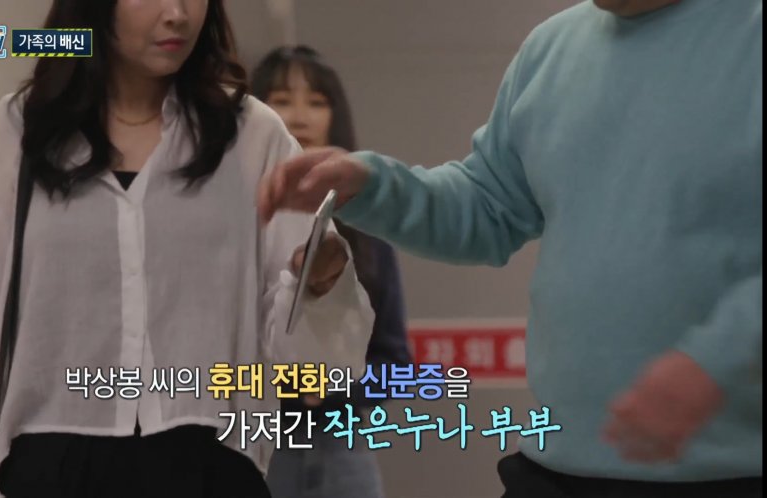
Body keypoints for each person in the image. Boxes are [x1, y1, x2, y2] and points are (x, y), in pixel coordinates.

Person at [258, 1, 762, 497]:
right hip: (555, 466)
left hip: (728, 473)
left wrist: (716, 364)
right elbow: (487, 205)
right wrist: (372, 188)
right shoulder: (551, 49)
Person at [0, 1, 376, 497]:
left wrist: (321, 285)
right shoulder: (20, 130)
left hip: (209, 471)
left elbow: (318, 372)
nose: (177, 13)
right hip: (50, 471)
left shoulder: (251, 134)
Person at [251, 45, 411, 498]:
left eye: (317, 101)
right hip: (255, 438)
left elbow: (394, 361)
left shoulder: (365, 223)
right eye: (282, 99)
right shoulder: (234, 214)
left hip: (342, 446)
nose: (299, 116)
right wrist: (286, 385)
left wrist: (337, 386)